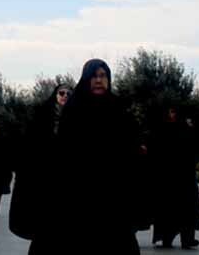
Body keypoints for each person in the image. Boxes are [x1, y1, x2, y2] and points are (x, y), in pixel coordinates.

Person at [50, 59, 142, 254]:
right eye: (94, 76)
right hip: (79, 195)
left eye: (103, 76)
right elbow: (63, 152)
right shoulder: (73, 110)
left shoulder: (119, 109)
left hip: (114, 196)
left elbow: (131, 147)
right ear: (86, 79)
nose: (99, 80)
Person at [9, 83, 72, 252]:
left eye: (69, 94)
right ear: (55, 95)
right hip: (43, 181)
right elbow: (29, 146)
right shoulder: (42, 116)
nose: (65, 96)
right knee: (43, 233)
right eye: (62, 93)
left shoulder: (77, 117)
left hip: (67, 182)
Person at [150, 106, 199, 249]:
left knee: (186, 210)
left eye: (174, 112)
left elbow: (193, 150)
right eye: (170, 112)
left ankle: (187, 239)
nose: (172, 115)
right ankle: (167, 238)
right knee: (168, 210)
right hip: (167, 178)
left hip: (184, 178)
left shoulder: (186, 129)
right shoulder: (163, 129)